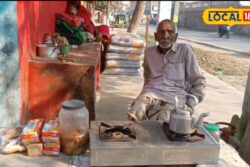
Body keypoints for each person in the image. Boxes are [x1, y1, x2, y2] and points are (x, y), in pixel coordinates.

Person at [128, 19, 206, 122]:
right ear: (156, 36)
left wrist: (191, 103)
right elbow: (147, 75)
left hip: (175, 97)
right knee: (135, 113)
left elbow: (199, 81)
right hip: (151, 93)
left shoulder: (185, 51)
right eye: (162, 32)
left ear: (176, 37)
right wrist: (142, 94)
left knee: (163, 122)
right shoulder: (149, 53)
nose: (165, 36)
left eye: (170, 32)